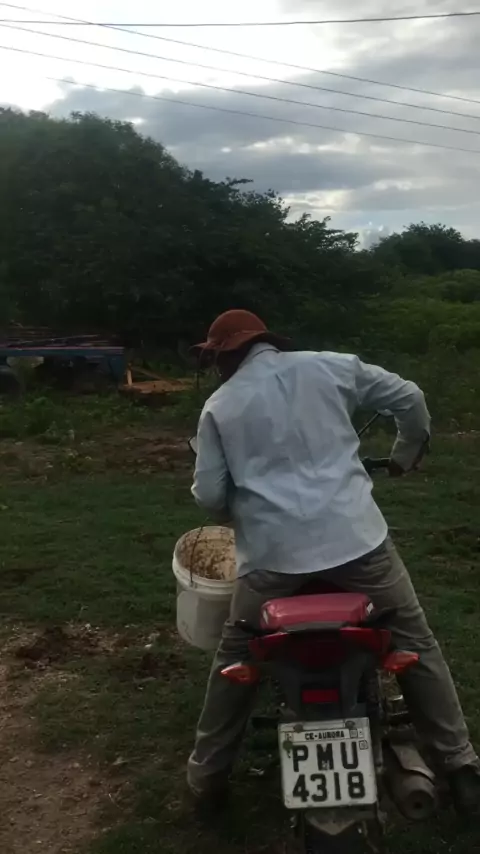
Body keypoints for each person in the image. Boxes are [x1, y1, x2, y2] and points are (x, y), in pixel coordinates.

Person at [187, 308, 480, 817]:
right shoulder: (330, 365)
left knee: (236, 655)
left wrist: (240, 510)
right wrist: (406, 453)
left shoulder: (220, 405)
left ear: (225, 357)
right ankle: (460, 765)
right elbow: (409, 397)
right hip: (358, 545)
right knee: (414, 642)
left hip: (271, 561)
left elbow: (210, 494)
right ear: (267, 341)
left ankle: (207, 777)